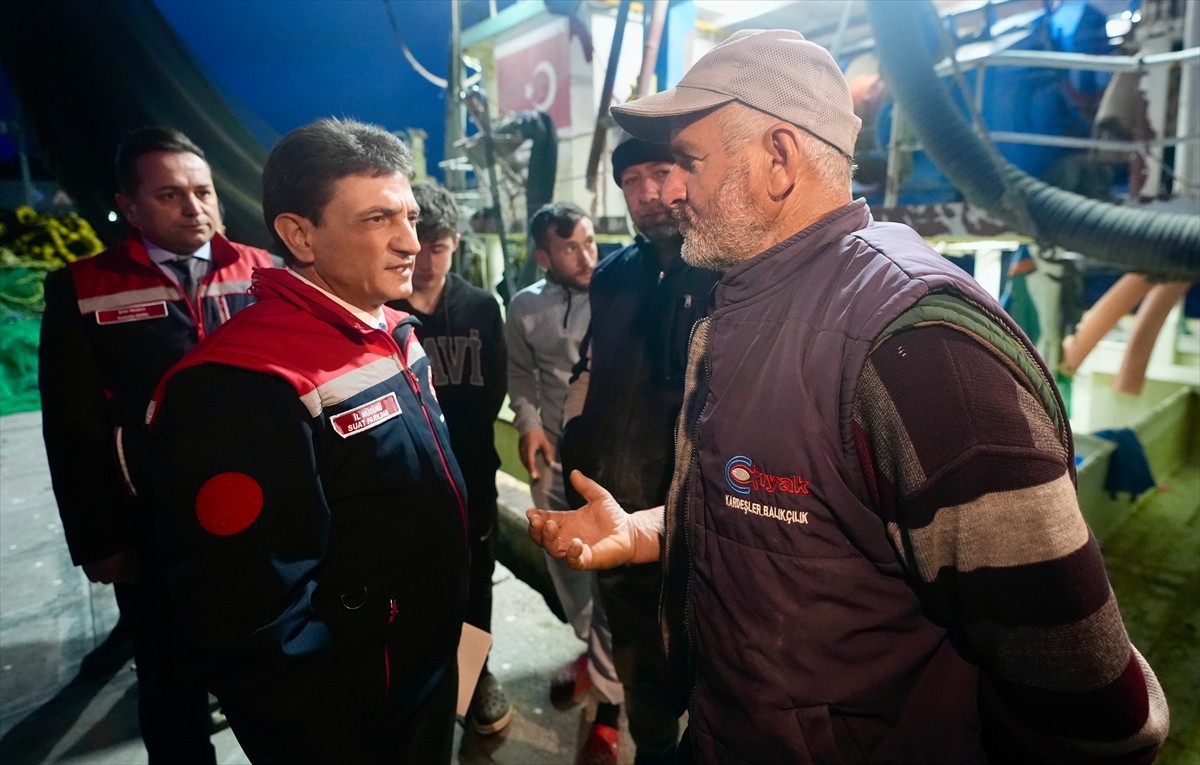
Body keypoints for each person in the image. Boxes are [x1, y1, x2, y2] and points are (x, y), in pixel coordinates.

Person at [528, 29, 1169, 764]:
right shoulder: (748, 302)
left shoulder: (921, 346)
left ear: (778, 158)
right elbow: (803, 527)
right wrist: (649, 529)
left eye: (691, 162)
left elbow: (1092, 706)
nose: (672, 191)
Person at [147, 118, 469, 764]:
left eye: (409, 216)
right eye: (379, 219)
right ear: (300, 235)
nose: (412, 241)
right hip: (354, 716)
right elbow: (252, 620)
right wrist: (321, 733)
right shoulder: (243, 380)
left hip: (423, 670)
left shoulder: (395, 330)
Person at [38, 126, 273, 765]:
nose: (194, 207)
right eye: (170, 195)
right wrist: (101, 540)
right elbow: (73, 429)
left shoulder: (267, 273)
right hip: (155, 526)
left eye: (203, 191)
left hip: (264, 523)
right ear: (130, 205)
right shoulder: (84, 288)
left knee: (272, 674)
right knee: (170, 684)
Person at [558, 134, 719, 765]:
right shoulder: (615, 274)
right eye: (632, 180)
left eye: (660, 172)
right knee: (640, 679)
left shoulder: (724, 272)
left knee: (710, 676)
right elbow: (590, 371)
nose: (649, 193)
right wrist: (575, 449)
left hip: (689, 524)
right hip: (612, 515)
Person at [386, 181, 512, 736]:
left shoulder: (482, 308)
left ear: (456, 243)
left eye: (441, 246)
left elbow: (493, 392)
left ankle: (471, 678)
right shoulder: (381, 311)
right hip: (400, 485)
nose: (429, 259)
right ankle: (418, 685)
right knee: (406, 584)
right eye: (420, 245)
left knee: (474, 579)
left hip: (472, 476)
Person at [504, 202, 625, 765]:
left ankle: (609, 702)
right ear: (544, 256)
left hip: (609, 460)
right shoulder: (523, 307)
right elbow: (520, 376)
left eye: (590, 242)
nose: (586, 257)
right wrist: (529, 429)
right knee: (564, 561)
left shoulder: (618, 292)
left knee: (613, 569)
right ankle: (590, 649)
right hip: (553, 458)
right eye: (571, 247)